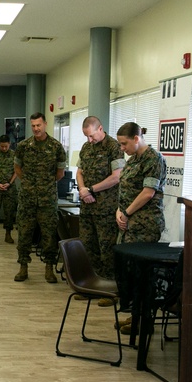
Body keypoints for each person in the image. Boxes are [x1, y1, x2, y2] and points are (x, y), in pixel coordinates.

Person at [114, 122, 166, 332]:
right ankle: (135, 316)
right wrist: (120, 210)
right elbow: (125, 189)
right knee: (131, 273)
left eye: (124, 143)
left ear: (136, 138)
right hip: (129, 224)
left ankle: (144, 323)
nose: (121, 148)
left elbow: (147, 192)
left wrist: (126, 212)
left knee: (142, 276)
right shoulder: (133, 159)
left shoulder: (153, 159)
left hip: (144, 225)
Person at [14, 112, 67, 283]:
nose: (36, 129)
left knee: (49, 235)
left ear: (45, 124)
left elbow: (60, 174)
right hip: (27, 198)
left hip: (48, 199)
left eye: (39, 125)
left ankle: (49, 268)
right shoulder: (23, 146)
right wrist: (29, 183)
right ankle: (23, 267)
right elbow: (17, 169)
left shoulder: (56, 147)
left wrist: (44, 184)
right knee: (24, 234)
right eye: (33, 126)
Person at [76, 116, 124, 280]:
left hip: (106, 209)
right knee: (87, 246)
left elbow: (116, 177)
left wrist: (91, 190)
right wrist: (83, 189)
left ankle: (109, 287)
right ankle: (91, 285)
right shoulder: (86, 147)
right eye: (86, 136)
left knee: (107, 248)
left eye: (91, 136)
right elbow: (79, 172)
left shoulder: (114, 147)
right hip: (87, 207)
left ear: (100, 129)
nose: (89, 140)